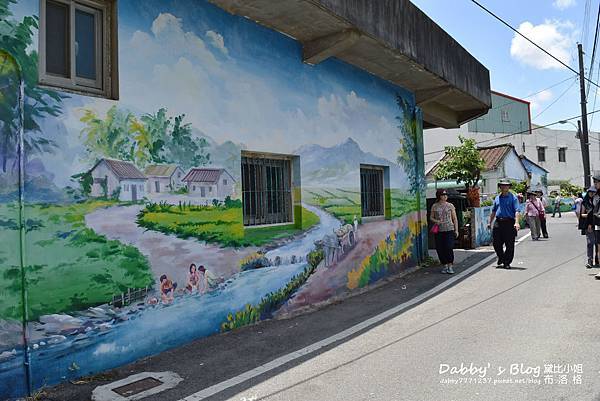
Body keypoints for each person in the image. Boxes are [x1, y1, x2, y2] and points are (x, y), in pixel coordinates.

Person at [488, 179, 521, 269]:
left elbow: (517, 211)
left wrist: (517, 222)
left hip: (509, 222)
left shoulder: (513, 198)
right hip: (498, 222)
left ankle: (507, 262)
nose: (504, 187)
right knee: (496, 243)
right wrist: (489, 222)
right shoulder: (497, 198)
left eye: (506, 186)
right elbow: (494, 211)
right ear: (500, 187)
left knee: (509, 244)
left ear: (509, 187)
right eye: (502, 185)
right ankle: (501, 257)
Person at [429, 189, 459, 274]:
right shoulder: (435, 206)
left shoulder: (450, 206)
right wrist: (436, 221)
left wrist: (456, 230)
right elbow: (431, 217)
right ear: (439, 196)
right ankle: (444, 265)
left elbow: (454, 218)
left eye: (446, 194)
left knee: (449, 247)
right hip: (439, 230)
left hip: (449, 229)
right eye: (443, 194)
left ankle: (450, 265)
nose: (445, 196)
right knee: (440, 248)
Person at [580, 187, 598, 268]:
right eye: (590, 192)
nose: (592, 194)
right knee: (590, 243)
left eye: (594, 192)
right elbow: (582, 214)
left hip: (597, 224)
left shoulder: (597, 202)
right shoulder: (585, 202)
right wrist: (589, 215)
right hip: (589, 225)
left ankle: (597, 260)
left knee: (598, 243)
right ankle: (589, 261)